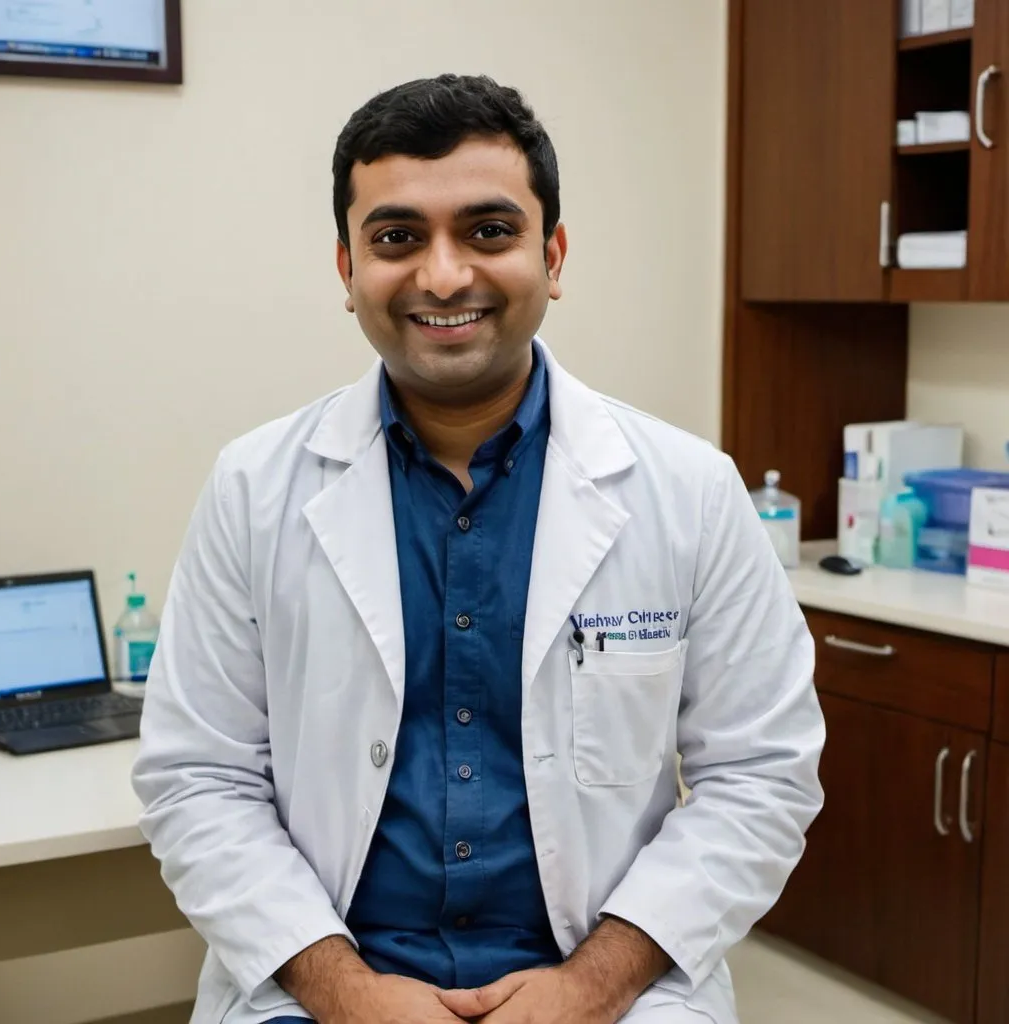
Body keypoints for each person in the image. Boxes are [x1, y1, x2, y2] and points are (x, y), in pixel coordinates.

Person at [133, 74, 825, 1024]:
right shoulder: (254, 488)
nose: (445, 275)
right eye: (397, 238)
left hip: (607, 986)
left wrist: (590, 987)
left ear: (554, 253)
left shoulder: (690, 491)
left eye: (489, 232)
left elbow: (762, 774)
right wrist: (346, 992)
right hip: (328, 985)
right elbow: (197, 779)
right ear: (347, 268)